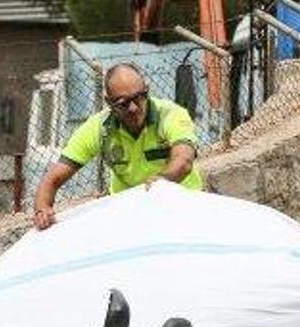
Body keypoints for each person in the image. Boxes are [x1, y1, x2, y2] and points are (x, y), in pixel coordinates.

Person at [33, 63, 202, 230]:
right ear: (109, 102)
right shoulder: (99, 128)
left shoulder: (170, 115)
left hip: (181, 205)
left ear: (147, 90)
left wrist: (162, 181)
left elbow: (184, 160)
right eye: (123, 103)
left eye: (139, 97)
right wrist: (43, 209)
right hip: (128, 214)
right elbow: (52, 179)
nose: (134, 108)